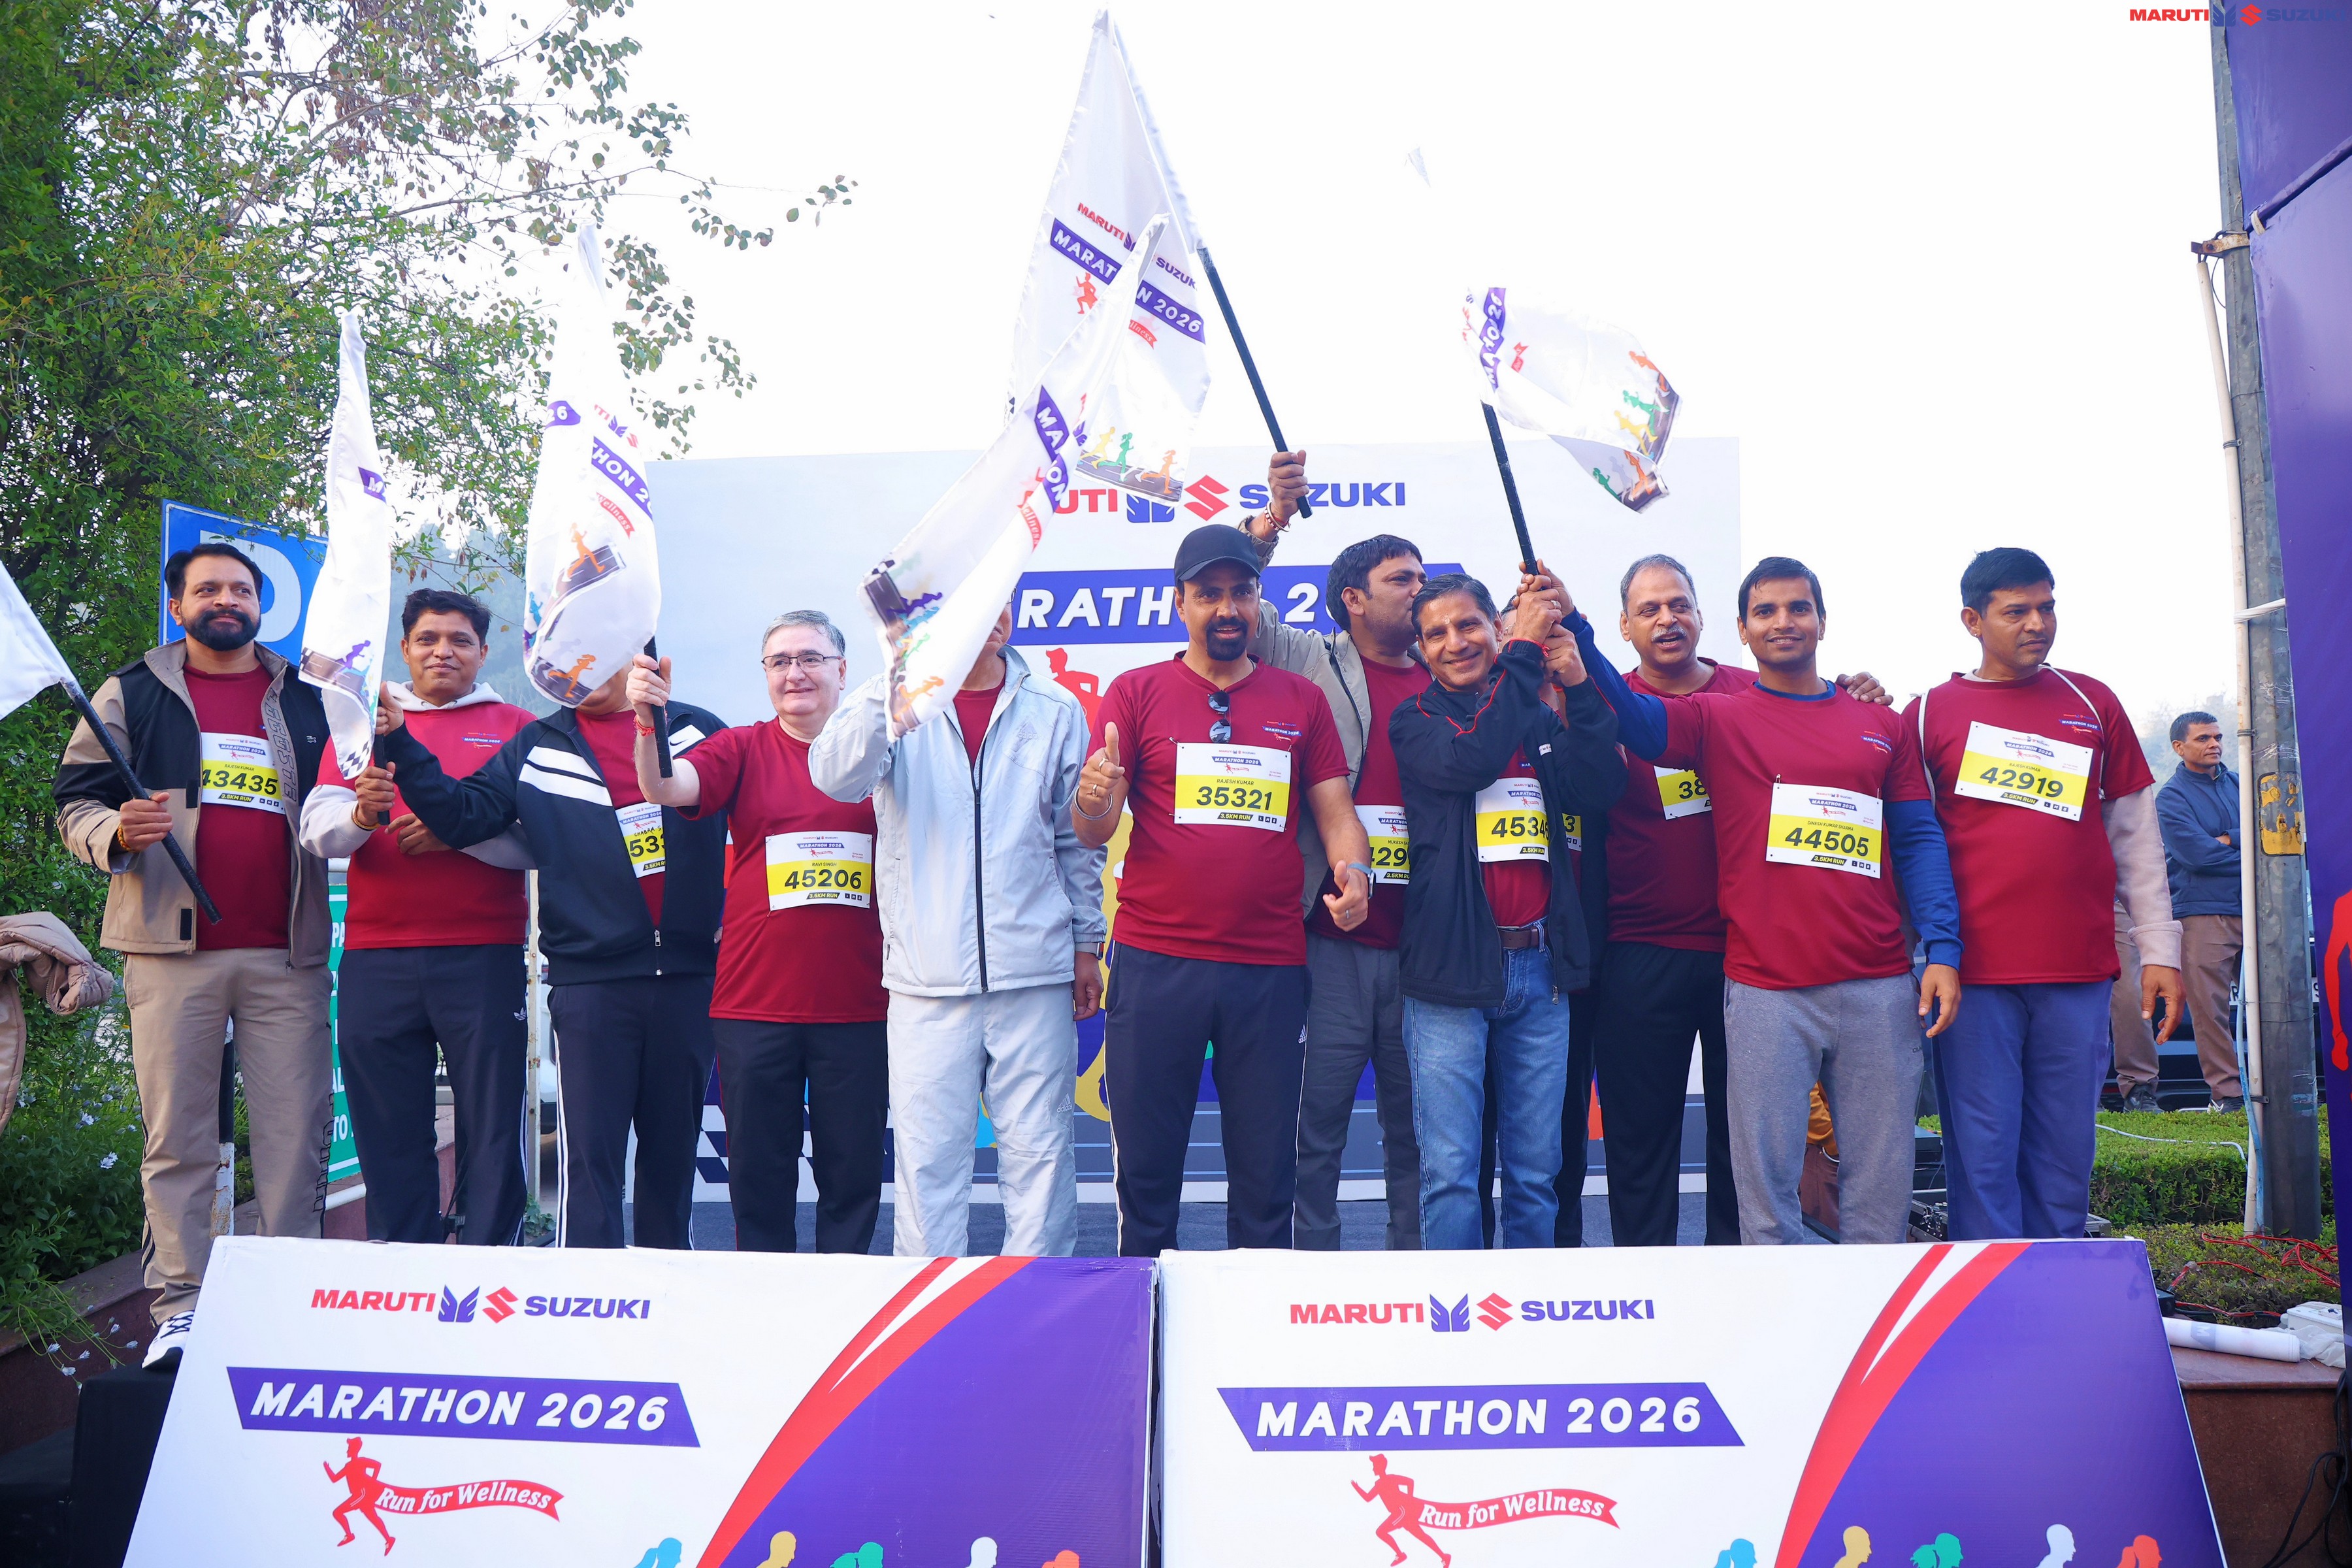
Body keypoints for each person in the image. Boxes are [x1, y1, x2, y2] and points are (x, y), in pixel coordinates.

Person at [1572, 556, 1964, 1245]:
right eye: (1766, 611)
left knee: (1878, 1198)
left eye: (1798, 608)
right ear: (1743, 629)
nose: (1784, 621)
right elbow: (1636, 723)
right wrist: (1575, 628)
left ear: (1822, 621)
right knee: (1763, 1205)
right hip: (1760, 983)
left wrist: (1942, 946)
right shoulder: (1718, 716)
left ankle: (1865, 1314)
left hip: (1876, 983)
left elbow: (1917, 837)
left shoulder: (1880, 723)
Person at [55, 542, 336, 1369]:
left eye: (241, 589)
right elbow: (74, 799)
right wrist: (115, 830)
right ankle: (182, 1306)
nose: (226, 599)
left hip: (287, 954)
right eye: (207, 588)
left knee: (295, 1135)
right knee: (177, 1138)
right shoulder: (130, 691)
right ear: (177, 606)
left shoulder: (308, 696)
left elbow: (344, 795)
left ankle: (290, 1298)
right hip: (170, 952)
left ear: (260, 605)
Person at [1072, 522, 1374, 1256]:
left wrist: (1356, 873)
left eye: (1241, 592)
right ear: (1181, 603)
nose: (1227, 608)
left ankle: (1256, 1321)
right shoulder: (1135, 692)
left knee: (1267, 1181)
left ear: (1257, 599)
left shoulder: (1301, 699)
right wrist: (1093, 796)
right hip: (1155, 964)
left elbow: (1338, 815)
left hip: (1269, 968)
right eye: (1209, 594)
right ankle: (1146, 1320)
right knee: (1147, 1178)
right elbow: (1092, 831)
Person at [371, 646, 728, 1250]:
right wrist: (403, 743)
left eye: (600, 658)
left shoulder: (696, 730)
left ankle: (667, 1288)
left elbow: (757, 820)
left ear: (634, 657)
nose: (585, 676)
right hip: (589, 985)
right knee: (590, 1163)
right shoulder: (536, 746)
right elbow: (463, 815)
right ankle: (588, 1290)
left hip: (689, 980)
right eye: (571, 666)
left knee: (671, 1159)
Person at [806, 603, 1103, 1257]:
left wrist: (1087, 943)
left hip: (1034, 975)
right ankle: (930, 1308)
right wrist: (895, 680)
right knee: (928, 1167)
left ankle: (1035, 1303)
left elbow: (1076, 842)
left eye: (1002, 602)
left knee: (1042, 1159)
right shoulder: (895, 702)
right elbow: (834, 777)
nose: (991, 616)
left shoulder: (1055, 708)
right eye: (974, 602)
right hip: (926, 980)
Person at [1904, 548, 2182, 1239]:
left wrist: (2160, 950)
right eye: (2017, 611)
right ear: (1972, 621)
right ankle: (1989, 1286)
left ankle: (2057, 1275)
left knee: (2065, 1148)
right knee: (1983, 1149)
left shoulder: (2093, 702)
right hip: (1972, 976)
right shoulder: (1929, 713)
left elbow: (2136, 838)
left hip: (2077, 969)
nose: (2038, 623)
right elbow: (1913, 845)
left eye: (2047, 607)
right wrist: (1927, 952)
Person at [626, 611, 888, 1252]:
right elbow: (663, 785)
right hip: (755, 1005)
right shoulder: (740, 748)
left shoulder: (882, 752)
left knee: (853, 1174)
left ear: (842, 670)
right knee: (759, 1176)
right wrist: (647, 722)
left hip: (862, 1005)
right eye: (780, 662)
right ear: (766, 675)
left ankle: (844, 1295)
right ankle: (764, 1297)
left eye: (810, 658)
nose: (795, 673)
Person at [1388, 571, 1624, 1249]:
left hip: (1541, 971)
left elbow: (1599, 787)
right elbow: (1475, 760)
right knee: (1451, 1174)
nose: (1456, 642)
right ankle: (1456, 1311)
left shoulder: (1537, 716)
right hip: (1450, 976)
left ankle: (1530, 1307)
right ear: (1421, 650)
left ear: (1495, 626)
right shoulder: (1415, 720)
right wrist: (1523, 654)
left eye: (1469, 624)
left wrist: (1578, 685)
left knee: (1535, 1173)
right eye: (1436, 634)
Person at [300, 589, 536, 1246]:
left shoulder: (517, 726)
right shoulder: (363, 724)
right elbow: (316, 831)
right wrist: (360, 815)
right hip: (377, 959)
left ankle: (492, 1265)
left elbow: (539, 843)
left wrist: (456, 832)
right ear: (404, 649)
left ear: (483, 652)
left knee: (492, 1127)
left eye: (460, 641)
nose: (443, 652)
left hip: (483, 954)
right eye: (428, 639)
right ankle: (403, 1264)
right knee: (389, 1129)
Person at [1237, 449, 1428, 1250]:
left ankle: (1420, 1275)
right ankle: (1311, 1273)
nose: (1420, 592)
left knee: (1420, 1132)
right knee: (1316, 1125)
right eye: (1402, 580)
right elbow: (1242, 610)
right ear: (1353, 598)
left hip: (1430, 944)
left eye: (1423, 578)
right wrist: (1271, 523)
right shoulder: (1313, 658)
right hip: (1335, 940)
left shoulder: (1453, 669)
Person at [2157, 711, 2244, 1110]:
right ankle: (2228, 1095)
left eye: (2218, 737)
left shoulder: (2240, 784)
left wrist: (2230, 838)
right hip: (2204, 913)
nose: (2214, 744)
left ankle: (2276, 1090)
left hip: (2257, 910)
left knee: (2275, 1005)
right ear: (2180, 747)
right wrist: (2246, 851)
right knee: (2211, 1011)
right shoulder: (2171, 798)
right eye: (2203, 739)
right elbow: (2197, 856)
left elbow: (2272, 836)